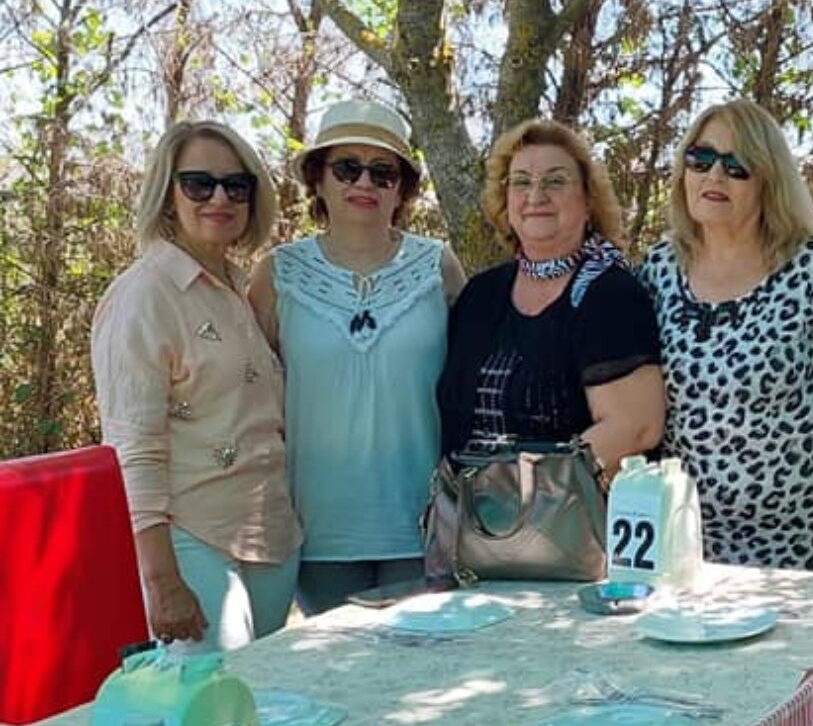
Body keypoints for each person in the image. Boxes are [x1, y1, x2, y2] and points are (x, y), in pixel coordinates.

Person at [246, 99, 465, 615]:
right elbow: (251, 400)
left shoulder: (438, 266)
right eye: (347, 168)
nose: (364, 183)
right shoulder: (277, 274)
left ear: (402, 189)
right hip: (318, 529)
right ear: (318, 180)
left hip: (423, 526)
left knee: (417, 685)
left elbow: (473, 386)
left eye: (383, 172)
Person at [637, 99, 813, 573]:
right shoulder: (658, 268)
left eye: (737, 165)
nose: (714, 176)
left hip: (802, 553)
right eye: (700, 159)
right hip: (685, 550)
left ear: (769, 179)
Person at [91, 120, 301, 650]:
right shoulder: (144, 297)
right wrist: (162, 581)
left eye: (236, 185)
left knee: (266, 716)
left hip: (269, 536)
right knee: (212, 715)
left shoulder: (239, 286)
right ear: (168, 193)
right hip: (192, 541)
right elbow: (132, 448)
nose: (219, 197)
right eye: (198, 183)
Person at [436, 119, 664, 475]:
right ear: (505, 200)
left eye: (555, 181)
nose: (536, 195)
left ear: (588, 200)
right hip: (469, 517)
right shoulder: (479, 295)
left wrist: (526, 487)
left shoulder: (610, 295)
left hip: (567, 519)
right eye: (521, 182)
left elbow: (636, 427)